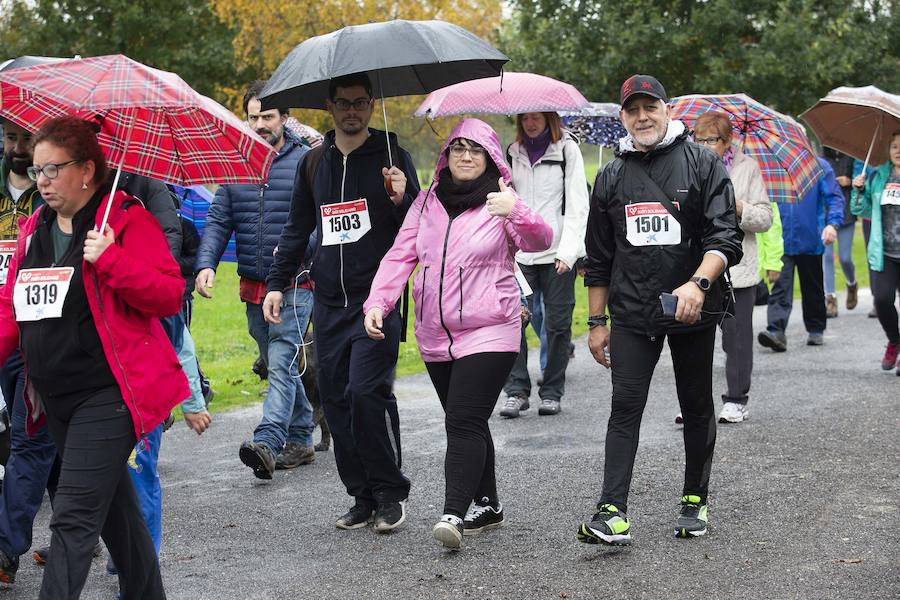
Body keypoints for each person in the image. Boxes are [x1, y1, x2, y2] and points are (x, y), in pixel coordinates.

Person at [0, 116, 187, 598]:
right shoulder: (36, 227)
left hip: (108, 396)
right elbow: (11, 306)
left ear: (86, 170)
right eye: (37, 170)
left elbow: (168, 295)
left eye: (52, 170)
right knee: (117, 518)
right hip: (52, 397)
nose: (40, 180)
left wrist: (113, 260)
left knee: (73, 517)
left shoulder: (125, 219)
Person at [363, 118, 552, 548]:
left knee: (461, 420)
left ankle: (454, 513)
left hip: (492, 329)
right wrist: (378, 303)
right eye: (458, 148)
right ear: (446, 155)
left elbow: (541, 239)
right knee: (470, 419)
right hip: (435, 334)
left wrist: (516, 210)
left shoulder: (501, 200)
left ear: (489, 157)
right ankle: (489, 504)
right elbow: (399, 257)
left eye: (476, 150)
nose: (466, 156)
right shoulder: (426, 200)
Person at [576, 75, 742, 546]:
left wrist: (697, 284)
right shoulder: (609, 175)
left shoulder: (703, 163)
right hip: (631, 311)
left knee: (694, 404)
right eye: (633, 110)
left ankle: (695, 497)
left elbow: (724, 239)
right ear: (622, 117)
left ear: (667, 110)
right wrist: (595, 323)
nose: (642, 116)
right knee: (624, 407)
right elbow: (600, 257)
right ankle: (612, 512)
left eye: (650, 107)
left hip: (692, 308)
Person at [263, 73, 420, 532]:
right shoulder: (314, 164)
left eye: (360, 103)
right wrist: (277, 283)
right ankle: (361, 495)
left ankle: (391, 492)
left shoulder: (393, 157)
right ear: (329, 109)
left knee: (367, 393)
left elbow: (417, 226)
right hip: (328, 301)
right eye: (343, 104)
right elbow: (296, 229)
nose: (353, 111)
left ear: (372, 104)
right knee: (335, 400)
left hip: (378, 298)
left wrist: (401, 196)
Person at [195, 80, 316, 478]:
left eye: (267, 116)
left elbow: (319, 220)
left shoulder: (306, 162)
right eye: (253, 117)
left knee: (281, 361)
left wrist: (303, 251)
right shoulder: (235, 163)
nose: (260, 125)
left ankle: (267, 440)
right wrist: (206, 263)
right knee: (275, 359)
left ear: (285, 118)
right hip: (252, 284)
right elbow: (218, 218)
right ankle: (301, 437)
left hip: (297, 282)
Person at [500, 111, 589, 418]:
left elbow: (579, 204)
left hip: (557, 254)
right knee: (512, 321)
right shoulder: (512, 153)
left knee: (558, 324)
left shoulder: (567, 150)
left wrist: (569, 252)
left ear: (549, 118)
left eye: (537, 118)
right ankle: (516, 391)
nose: (531, 123)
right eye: (525, 118)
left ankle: (551, 391)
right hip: (521, 254)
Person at [692, 111, 772, 424]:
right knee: (695, 340)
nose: (704, 145)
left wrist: (741, 207)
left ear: (727, 142)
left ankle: (736, 399)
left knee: (735, 340)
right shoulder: (689, 166)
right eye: (699, 139)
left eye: (711, 140)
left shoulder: (747, 168)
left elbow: (765, 218)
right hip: (698, 269)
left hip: (738, 271)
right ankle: (695, 402)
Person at [757, 155, 843, 351]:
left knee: (812, 286)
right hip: (781, 238)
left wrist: (833, 224)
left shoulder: (820, 167)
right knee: (780, 285)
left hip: (811, 238)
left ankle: (815, 328)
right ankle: (776, 331)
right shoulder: (773, 167)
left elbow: (834, 197)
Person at [851, 130, 900, 374]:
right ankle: (894, 340)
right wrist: (858, 190)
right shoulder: (879, 176)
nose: (898, 150)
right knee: (882, 300)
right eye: (894, 147)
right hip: (885, 252)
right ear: (888, 151)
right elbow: (860, 208)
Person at [822, 147, 858, 317]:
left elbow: (861, 183)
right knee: (827, 257)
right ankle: (831, 299)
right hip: (826, 216)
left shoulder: (851, 158)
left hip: (847, 215)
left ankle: (852, 283)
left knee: (845, 258)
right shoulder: (822, 161)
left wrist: (849, 181)